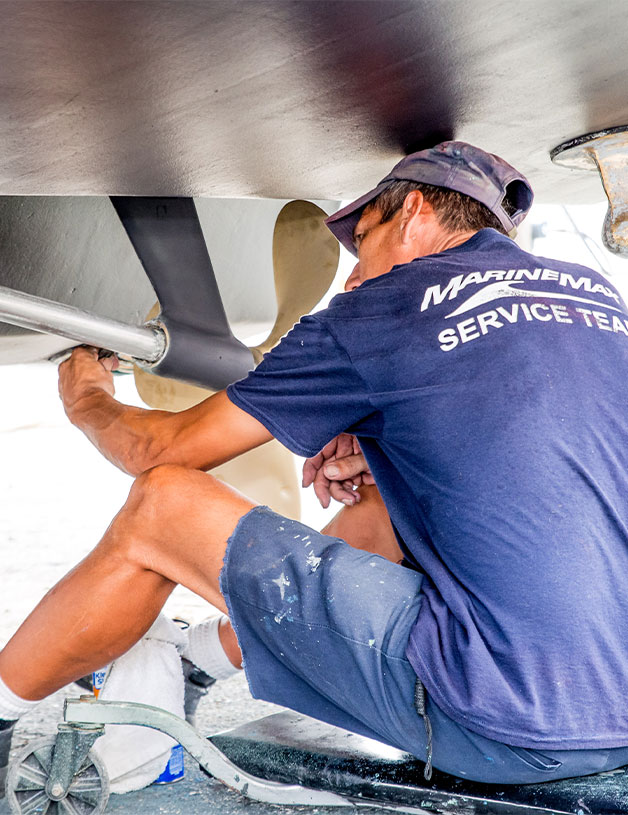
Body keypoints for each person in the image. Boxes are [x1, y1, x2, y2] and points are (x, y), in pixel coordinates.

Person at [3, 140, 628, 793]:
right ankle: (200, 661)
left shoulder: (386, 307)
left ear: (412, 210)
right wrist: (387, 449)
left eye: (363, 239)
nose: (353, 275)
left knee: (163, 504)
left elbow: (160, 451)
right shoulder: (594, 296)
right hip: (617, 710)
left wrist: (87, 397)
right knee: (383, 508)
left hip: (507, 726)